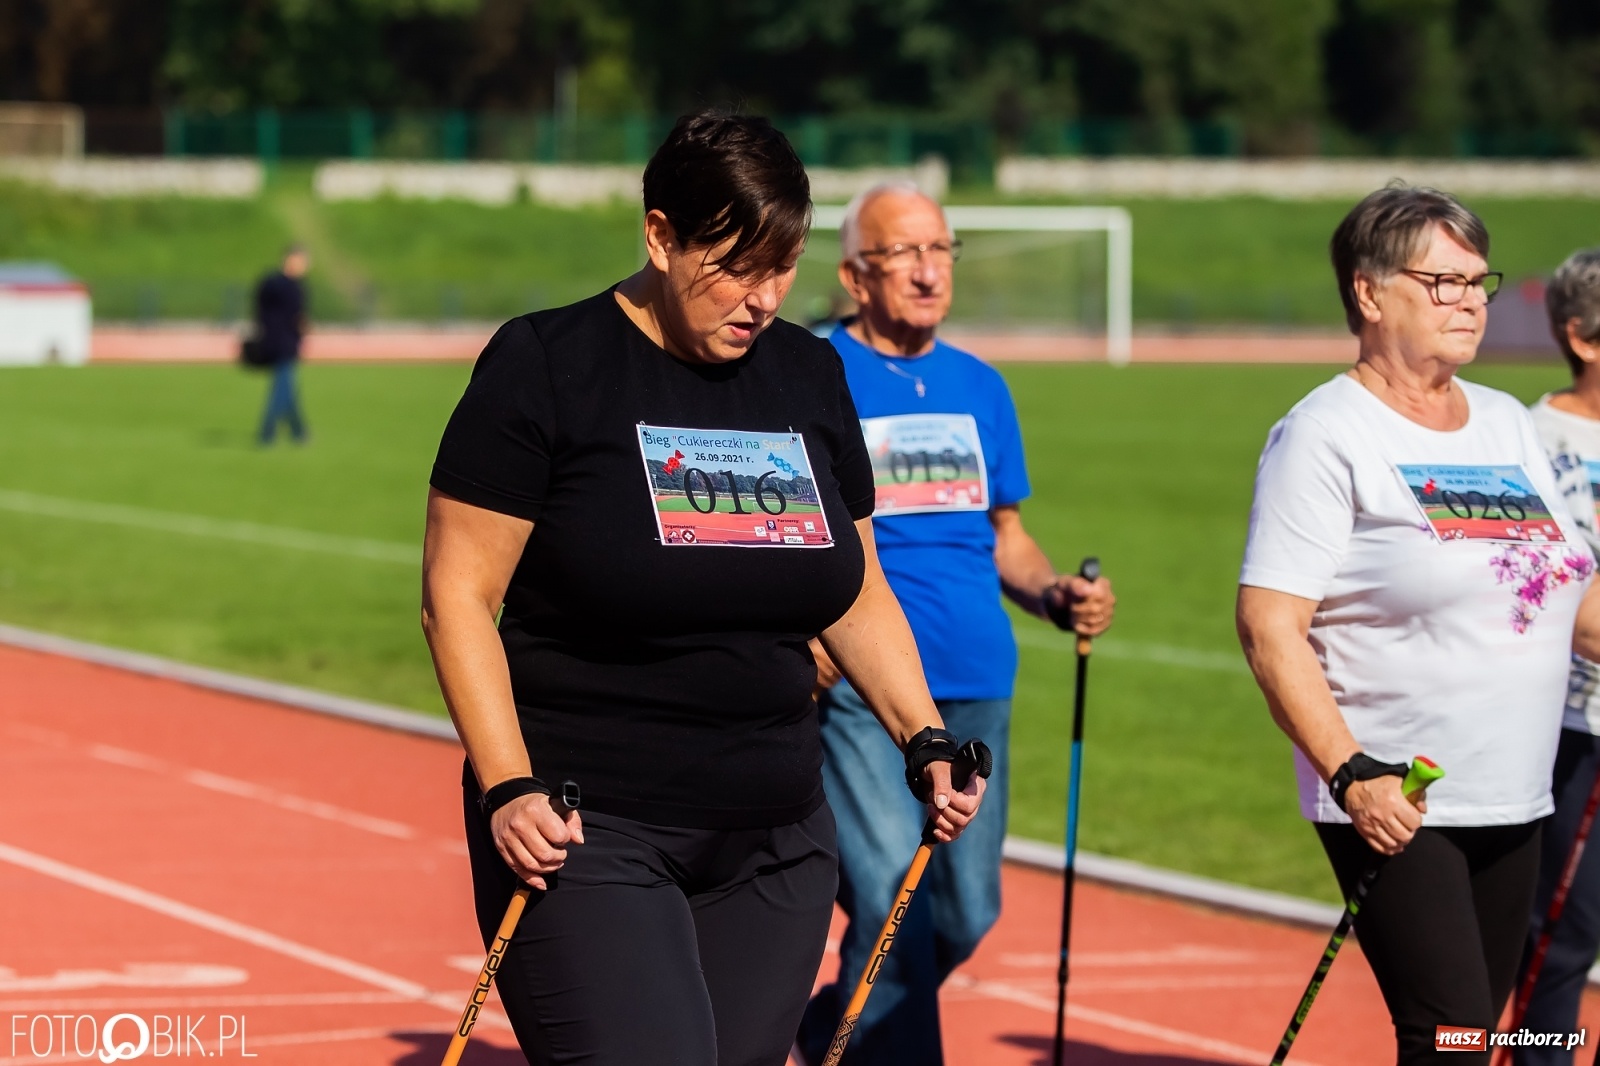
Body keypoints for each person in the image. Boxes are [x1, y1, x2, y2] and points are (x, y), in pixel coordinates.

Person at [420, 113, 987, 1066]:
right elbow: (457, 596)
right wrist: (506, 784)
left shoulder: (808, 373)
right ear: (660, 235)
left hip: (777, 840)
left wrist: (923, 736)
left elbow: (854, 590)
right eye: (735, 267)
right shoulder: (548, 365)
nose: (762, 298)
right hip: (586, 829)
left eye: (784, 268)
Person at [1237, 184, 1600, 1063]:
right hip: (1397, 796)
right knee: (1451, 1038)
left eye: (1478, 282)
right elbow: (1269, 625)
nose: (1471, 301)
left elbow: (1573, 596)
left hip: (1519, 789)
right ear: (1369, 292)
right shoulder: (1326, 434)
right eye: (1444, 282)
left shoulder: (1506, 423)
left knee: (1471, 1034)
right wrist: (1351, 772)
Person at [794, 182, 1116, 1066]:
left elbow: (1006, 533)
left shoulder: (981, 385)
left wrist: (1054, 593)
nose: (929, 270)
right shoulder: (814, 373)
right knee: (892, 902)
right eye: (905, 253)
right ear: (855, 276)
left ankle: (829, 1029)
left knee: (966, 911)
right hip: (865, 689)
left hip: (977, 679)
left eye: (940, 249)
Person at [1516, 249, 1600, 1065]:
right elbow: (1559, 602)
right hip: (1575, 725)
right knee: (1561, 939)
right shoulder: (1530, 442)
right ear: (1583, 338)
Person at [254, 245, 309, 445]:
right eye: (302, 262)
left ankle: (299, 431)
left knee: (287, 387)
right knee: (282, 390)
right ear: (291, 260)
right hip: (284, 342)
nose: (304, 267)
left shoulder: (269, 282)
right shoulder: (291, 287)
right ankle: (266, 433)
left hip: (270, 339)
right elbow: (297, 317)